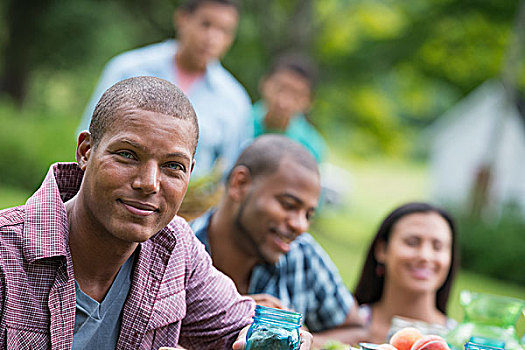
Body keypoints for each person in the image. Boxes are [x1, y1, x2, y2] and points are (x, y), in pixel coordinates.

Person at [0, 76, 313, 349]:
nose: (149, 183)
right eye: (127, 155)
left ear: (190, 172)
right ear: (85, 151)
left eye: (172, 167)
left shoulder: (176, 248)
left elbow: (238, 328)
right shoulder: (6, 253)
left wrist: (286, 339)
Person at [190, 134, 365, 347]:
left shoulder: (302, 254)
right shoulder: (177, 254)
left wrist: (293, 340)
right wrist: (231, 315)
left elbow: (358, 332)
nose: (300, 225)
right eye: (288, 205)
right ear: (240, 184)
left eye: (308, 214)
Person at [77, 0, 252, 179]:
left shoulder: (234, 100)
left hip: (194, 206)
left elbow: (227, 173)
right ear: (182, 19)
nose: (212, 37)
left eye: (224, 30)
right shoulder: (128, 69)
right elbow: (91, 137)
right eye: (205, 24)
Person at [354, 202, 460, 344]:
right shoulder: (344, 326)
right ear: (382, 250)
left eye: (437, 246)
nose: (425, 256)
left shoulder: (461, 341)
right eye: (412, 242)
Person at [252, 53, 327, 163]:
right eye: (280, 88)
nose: (283, 102)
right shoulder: (237, 120)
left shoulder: (311, 147)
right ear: (264, 83)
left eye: (296, 95)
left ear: (309, 101)